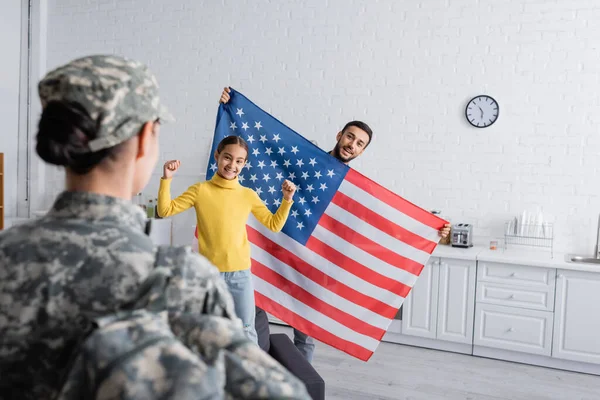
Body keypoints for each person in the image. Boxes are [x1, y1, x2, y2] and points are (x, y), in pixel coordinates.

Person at [0, 55, 309, 400]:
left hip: (239, 270)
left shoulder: (5, 254)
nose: (232, 165)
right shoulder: (181, 280)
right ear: (147, 138)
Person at [219, 86, 452, 364]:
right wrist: (233, 108)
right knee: (255, 307)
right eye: (350, 136)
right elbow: (263, 151)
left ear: (362, 151)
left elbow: (380, 223)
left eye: (360, 143)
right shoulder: (307, 161)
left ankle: (302, 385)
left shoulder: (356, 190)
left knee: (306, 331)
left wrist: (428, 230)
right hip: (278, 249)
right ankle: (259, 371)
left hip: (316, 267)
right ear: (339, 136)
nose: (352, 144)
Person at [157, 136, 297, 345]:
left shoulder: (247, 195)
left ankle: (250, 374)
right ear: (217, 156)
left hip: (240, 274)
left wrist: (287, 200)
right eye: (227, 158)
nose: (232, 165)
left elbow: (274, 224)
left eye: (239, 161)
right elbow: (164, 210)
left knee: (247, 330)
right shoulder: (200, 190)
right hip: (209, 275)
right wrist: (167, 178)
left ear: (244, 164)